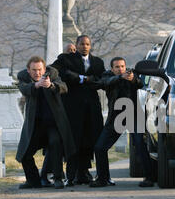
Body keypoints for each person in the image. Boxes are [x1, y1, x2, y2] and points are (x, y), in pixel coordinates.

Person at [50, 35, 107, 186]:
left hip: (92, 108)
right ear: (77, 45)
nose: (85, 47)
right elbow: (57, 71)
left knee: (90, 139)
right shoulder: (65, 59)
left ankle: (86, 173)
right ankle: (71, 175)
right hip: (72, 107)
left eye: (87, 44)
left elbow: (101, 80)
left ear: (90, 45)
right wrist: (84, 79)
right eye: (82, 44)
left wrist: (82, 79)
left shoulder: (98, 62)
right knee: (73, 140)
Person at [16, 56, 76, 189]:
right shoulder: (23, 77)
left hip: (53, 124)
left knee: (56, 145)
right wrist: (36, 85)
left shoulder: (53, 74)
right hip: (34, 125)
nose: (37, 73)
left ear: (44, 69)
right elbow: (24, 89)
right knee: (25, 154)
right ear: (28, 70)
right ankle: (33, 181)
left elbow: (63, 87)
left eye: (39, 70)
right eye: (34, 70)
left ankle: (58, 178)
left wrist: (51, 86)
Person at [94, 57, 154, 187]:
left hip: (133, 116)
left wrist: (132, 78)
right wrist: (119, 78)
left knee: (140, 145)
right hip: (115, 118)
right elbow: (103, 83)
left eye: (122, 66)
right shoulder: (108, 76)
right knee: (99, 147)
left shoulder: (131, 75)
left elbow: (140, 83)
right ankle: (103, 178)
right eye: (117, 67)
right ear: (112, 69)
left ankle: (149, 177)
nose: (120, 69)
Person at [40, 42, 76, 186]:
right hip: (55, 110)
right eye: (69, 50)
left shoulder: (82, 64)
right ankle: (48, 175)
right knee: (53, 145)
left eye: (74, 50)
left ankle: (61, 176)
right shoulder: (55, 68)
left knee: (58, 143)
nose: (72, 52)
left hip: (68, 109)